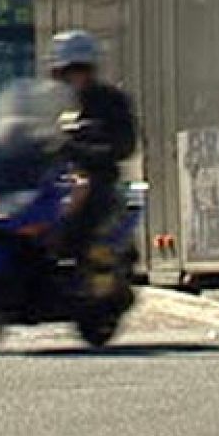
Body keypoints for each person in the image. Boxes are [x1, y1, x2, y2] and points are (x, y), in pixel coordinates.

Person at [48, 31, 138, 265]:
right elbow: (24, 132)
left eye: (80, 69)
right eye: (66, 72)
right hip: (51, 179)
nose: (74, 78)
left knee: (96, 203)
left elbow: (125, 144)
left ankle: (96, 256)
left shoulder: (110, 101)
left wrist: (92, 148)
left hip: (96, 178)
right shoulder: (47, 102)